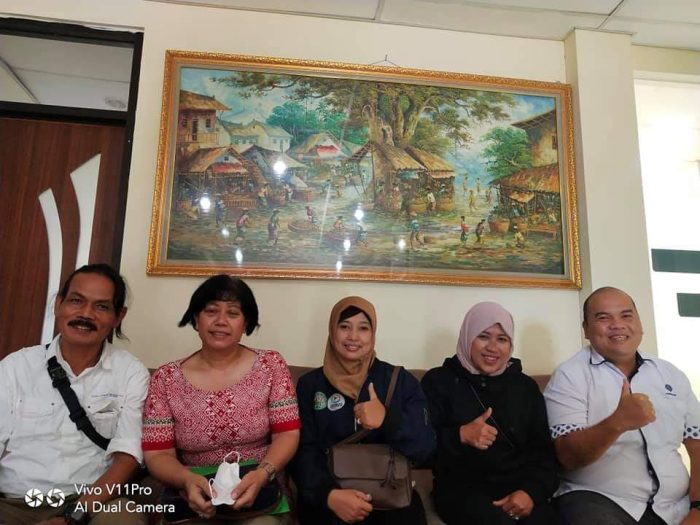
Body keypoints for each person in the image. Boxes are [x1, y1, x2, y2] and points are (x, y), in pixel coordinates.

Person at [142, 275, 301, 524]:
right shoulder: (166, 378)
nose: (221, 321)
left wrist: (263, 473)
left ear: (246, 323)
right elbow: (158, 454)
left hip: (258, 487)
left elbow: (287, 435)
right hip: (193, 492)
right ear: (196, 319)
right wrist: (187, 480)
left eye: (233, 313)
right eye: (211, 311)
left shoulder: (271, 366)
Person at [0, 264, 150, 525]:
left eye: (101, 306)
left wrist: (74, 516)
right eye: (76, 301)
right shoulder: (15, 367)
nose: (85, 314)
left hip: (90, 502)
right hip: (14, 503)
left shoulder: (131, 373)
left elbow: (127, 457)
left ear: (118, 316)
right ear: (58, 304)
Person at [544, 287, 700, 525]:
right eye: (603, 318)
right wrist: (616, 423)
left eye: (626, 316)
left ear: (639, 324)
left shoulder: (670, 374)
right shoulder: (569, 376)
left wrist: (697, 509)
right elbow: (567, 456)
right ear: (586, 329)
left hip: (675, 505)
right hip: (600, 501)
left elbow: (697, 446)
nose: (617, 325)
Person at [290, 296, 435, 525]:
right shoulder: (310, 385)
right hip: (330, 499)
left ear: (373, 333)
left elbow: (425, 448)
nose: (353, 336)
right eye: (344, 326)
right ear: (332, 331)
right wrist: (329, 495)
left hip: (390, 497)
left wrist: (388, 420)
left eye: (363, 328)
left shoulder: (400, 381)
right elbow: (302, 451)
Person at [421, 302, 560, 525]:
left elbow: (544, 455)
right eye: (483, 336)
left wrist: (530, 493)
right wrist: (460, 435)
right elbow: (420, 448)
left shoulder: (525, 387)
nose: (492, 348)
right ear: (468, 337)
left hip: (519, 489)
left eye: (502, 339)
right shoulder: (439, 382)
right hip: (462, 492)